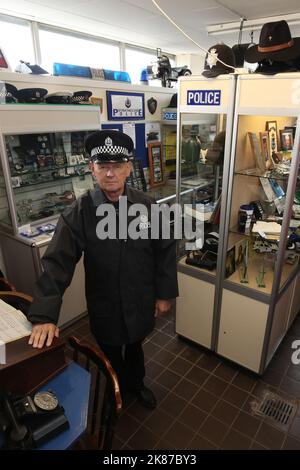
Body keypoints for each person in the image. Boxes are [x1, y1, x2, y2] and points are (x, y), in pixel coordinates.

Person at [27, 130, 178, 409]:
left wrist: (164, 295)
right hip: (105, 303)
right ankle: (115, 388)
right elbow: (57, 262)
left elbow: (165, 250)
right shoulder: (80, 211)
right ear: (91, 169)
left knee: (135, 347)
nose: (111, 174)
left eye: (117, 165)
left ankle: (136, 384)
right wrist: (44, 314)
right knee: (110, 352)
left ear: (129, 167)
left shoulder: (146, 205)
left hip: (140, 299)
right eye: (103, 166)